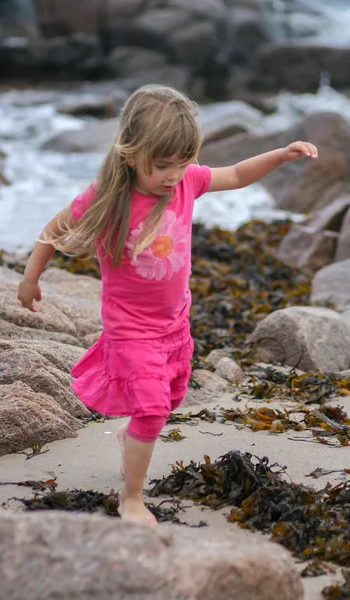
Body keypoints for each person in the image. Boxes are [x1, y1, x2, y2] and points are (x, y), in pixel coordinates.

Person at [18, 84, 318, 526]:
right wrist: (30, 278)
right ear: (130, 154)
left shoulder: (187, 181)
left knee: (170, 397)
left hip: (174, 322)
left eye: (181, 163)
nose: (173, 175)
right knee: (154, 408)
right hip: (129, 329)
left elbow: (235, 174)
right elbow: (55, 228)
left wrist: (280, 155)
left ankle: (129, 434)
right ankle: (132, 498)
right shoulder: (108, 197)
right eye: (161, 166)